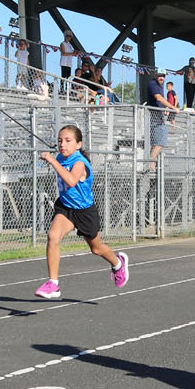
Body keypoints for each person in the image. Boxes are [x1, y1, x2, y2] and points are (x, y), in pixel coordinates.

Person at [35, 124, 128, 298]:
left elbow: (71, 181)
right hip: (66, 207)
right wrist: (52, 159)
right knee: (53, 236)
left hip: (85, 211)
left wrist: (52, 161)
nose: (63, 144)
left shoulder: (79, 162)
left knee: (96, 249)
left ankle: (118, 263)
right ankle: (53, 284)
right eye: (60, 141)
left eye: (68, 141)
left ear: (78, 144)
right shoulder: (60, 157)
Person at [144, 70, 179, 172]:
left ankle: (151, 164)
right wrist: (172, 107)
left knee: (156, 142)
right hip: (154, 116)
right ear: (155, 75)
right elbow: (158, 98)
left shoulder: (159, 86)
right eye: (160, 75)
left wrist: (166, 109)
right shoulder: (153, 84)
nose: (162, 78)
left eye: (163, 76)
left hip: (158, 116)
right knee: (161, 140)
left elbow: (161, 100)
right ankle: (150, 164)